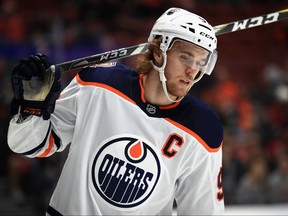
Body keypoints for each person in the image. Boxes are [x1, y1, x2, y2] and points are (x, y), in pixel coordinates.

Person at [7, 7, 224, 215]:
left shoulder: (203, 127)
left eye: (200, 62)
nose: (193, 70)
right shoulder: (99, 84)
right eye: (185, 57)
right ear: (158, 53)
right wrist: (31, 109)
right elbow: (29, 145)